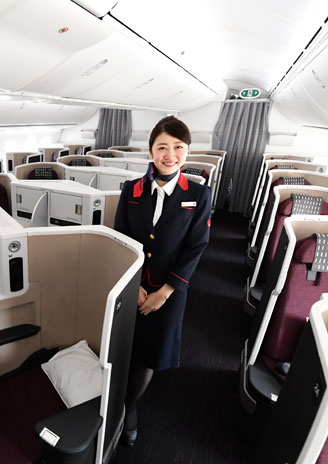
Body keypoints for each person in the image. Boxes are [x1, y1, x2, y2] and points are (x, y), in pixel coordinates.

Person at [114, 116, 212, 447]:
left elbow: (196, 246)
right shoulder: (131, 190)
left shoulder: (198, 194)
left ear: (187, 151)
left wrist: (165, 291)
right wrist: (134, 285)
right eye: (162, 147)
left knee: (150, 353)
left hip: (170, 290)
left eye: (178, 147)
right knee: (124, 344)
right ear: (151, 151)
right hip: (133, 284)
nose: (170, 155)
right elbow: (122, 238)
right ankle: (116, 395)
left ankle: (129, 406)